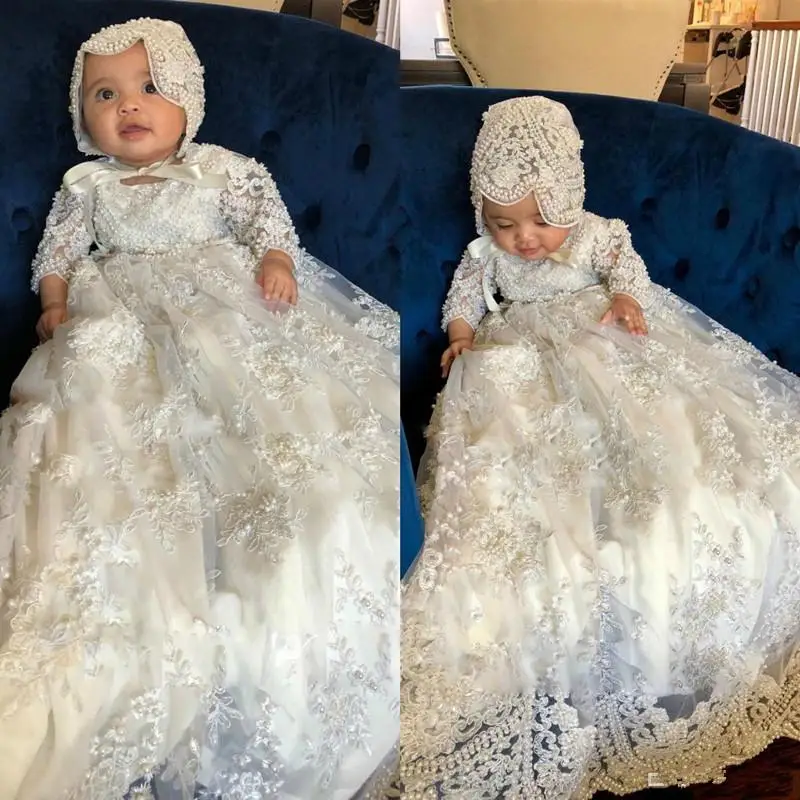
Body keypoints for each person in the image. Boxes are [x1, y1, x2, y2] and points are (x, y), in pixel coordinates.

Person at [0, 17, 399, 800]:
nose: (128, 105)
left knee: (266, 405)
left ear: (189, 97)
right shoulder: (85, 187)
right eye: (104, 95)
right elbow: (57, 253)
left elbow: (270, 228)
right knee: (104, 390)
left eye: (150, 87)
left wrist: (277, 264)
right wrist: (53, 302)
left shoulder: (223, 169)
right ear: (83, 115)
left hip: (222, 300)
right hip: (121, 306)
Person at [400, 95, 800, 798]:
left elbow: (628, 275)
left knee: (654, 429)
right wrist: (461, 336)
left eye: (540, 221)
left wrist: (626, 301)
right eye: (503, 223)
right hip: (518, 355)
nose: (524, 240)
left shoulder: (598, 234)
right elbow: (462, 300)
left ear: (570, 196)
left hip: (601, 340)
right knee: (517, 443)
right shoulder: (483, 254)